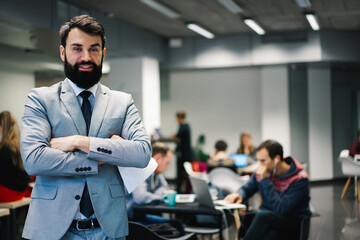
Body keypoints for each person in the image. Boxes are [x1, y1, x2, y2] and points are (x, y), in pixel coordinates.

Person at [20, 15, 151, 240]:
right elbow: (34, 159)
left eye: (94, 49)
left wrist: (81, 143)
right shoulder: (41, 99)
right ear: (63, 52)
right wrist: (105, 155)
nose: (86, 57)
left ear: (103, 53)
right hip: (54, 230)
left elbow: (142, 153)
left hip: (108, 230)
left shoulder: (123, 102)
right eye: (77, 49)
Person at [225, 140, 310, 240]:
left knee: (263, 216)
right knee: (254, 220)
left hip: (291, 223)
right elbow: (247, 188)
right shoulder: (264, 171)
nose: (259, 165)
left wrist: (265, 179)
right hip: (270, 221)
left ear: (276, 159)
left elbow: (280, 209)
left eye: (263, 161)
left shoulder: (299, 179)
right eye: (258, 161)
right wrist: (238, 194)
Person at [126, 142, 174, 219]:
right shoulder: (140, 170)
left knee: (175, 224)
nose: (167, 167)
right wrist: (162, 197)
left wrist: (153, 196)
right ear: (158, 158)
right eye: (167, 162)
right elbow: (141, 197)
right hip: (131, 219)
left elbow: (165, 188)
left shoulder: (157, 174)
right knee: (174, 225)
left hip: (142, 215)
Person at [0, 111, 32, 202]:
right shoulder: (19, 145)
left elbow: (2, 176)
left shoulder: (5, 147)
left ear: (2, 126)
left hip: (9, 193)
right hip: (20, 192)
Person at [172, 111, 193, 193]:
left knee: (181, 173)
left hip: (184, 154)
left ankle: (180, 190)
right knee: (184, 173)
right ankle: (184, 190)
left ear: (179, 118)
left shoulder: (183, 126)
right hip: (186, 153)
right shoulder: (186, 125)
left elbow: (178, 136)